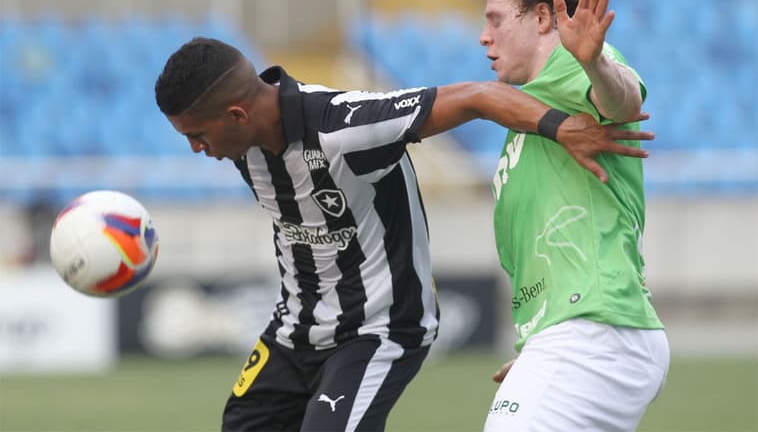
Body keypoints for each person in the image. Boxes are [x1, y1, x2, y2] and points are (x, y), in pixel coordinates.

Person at [154, 37, 652, 431]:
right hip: (292, 333)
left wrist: (560, 127)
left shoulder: (341, 125)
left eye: (197, 136)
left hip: (378, 330)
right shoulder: (245, 143)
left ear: (237, 115)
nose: (198, 149)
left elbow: (475, 96)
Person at [478, 0, 669, 431]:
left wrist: (596, 61)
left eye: (496, 19)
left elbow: (623, 101)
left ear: (543, 17)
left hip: (595, 329)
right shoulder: (531, 112)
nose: (484, 37)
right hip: (573, 335)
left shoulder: (569, 66)